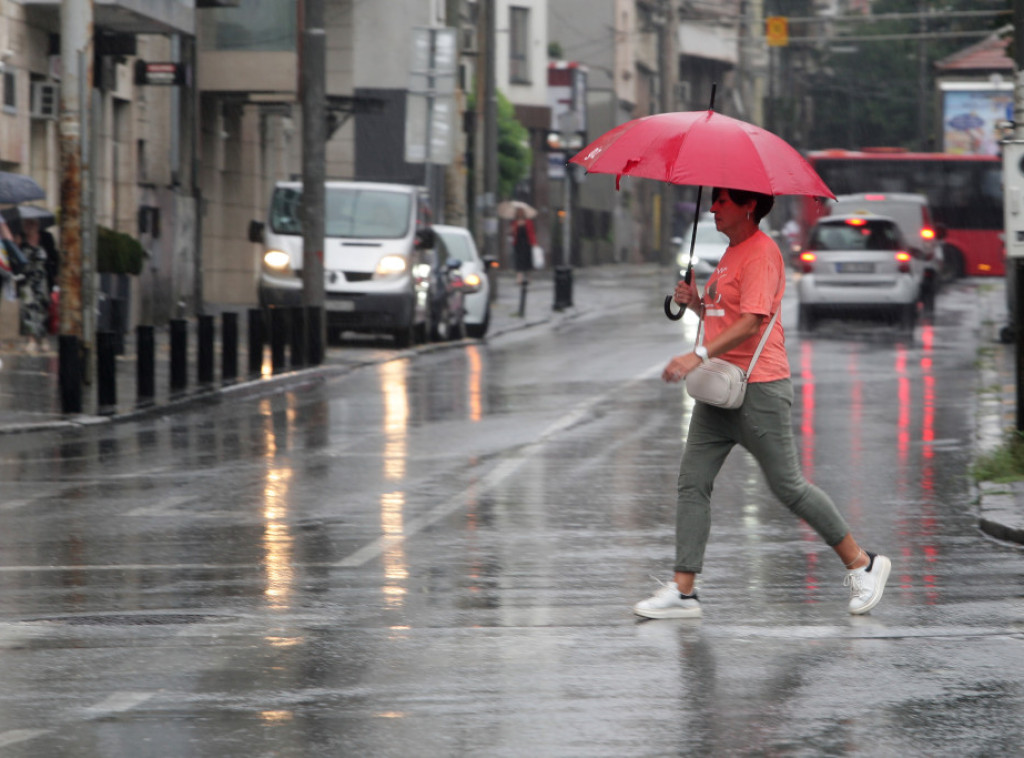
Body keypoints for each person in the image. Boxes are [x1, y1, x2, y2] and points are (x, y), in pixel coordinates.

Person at [633, 186, 891, 620]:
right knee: (692, 482)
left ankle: (863, 563)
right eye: (712, 200)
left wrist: (694, 356)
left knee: (788, 487)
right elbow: (727, 318)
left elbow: (753, 322)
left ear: (749, 206)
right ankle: (684, 591)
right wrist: (695, 303)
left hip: (759, 390)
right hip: (719, 390)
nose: (713, 207)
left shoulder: (761, 254)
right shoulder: (732, 253)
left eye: (723, 201)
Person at [12, 218, 50, 354]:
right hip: (26, 280)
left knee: (42, 309)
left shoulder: (46, 238)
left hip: (42, 280)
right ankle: (31, 340)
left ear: (38, 224)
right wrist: (16, 246)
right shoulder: (20, 239)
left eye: (32, 223)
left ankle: (43, 338)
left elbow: (53, 257)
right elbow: (15, 261)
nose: (29, 226)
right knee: (27, 310)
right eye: (27, 224)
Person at [509, 206, 536, 288]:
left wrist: (534, 243)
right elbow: (512, 234)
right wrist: (512, 230)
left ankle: (528, 277)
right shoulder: (514, 222)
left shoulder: (528, 222)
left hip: (527, 244)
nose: (520, 213)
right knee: (519, 260)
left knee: (527, 260)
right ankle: (519, 277)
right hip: (518, 244)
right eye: (518, 212)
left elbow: (531, 232)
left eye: (521, 212)